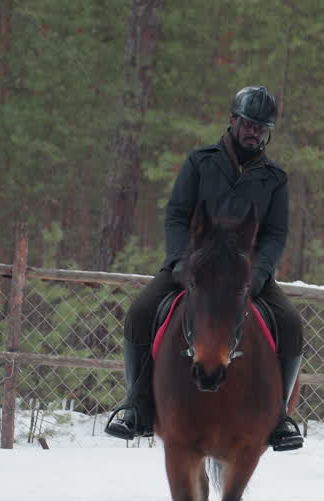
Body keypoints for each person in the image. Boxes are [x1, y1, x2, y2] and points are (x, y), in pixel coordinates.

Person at [104, 85, 304, 452]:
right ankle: (136, 405)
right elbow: (178, 214)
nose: (254, 132)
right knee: (141, 311)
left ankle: (278, 418)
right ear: (233, 121)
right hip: (193, 264)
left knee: (291, 324)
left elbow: (276, 233)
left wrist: (258, 274)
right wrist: (181, 262)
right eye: (248, 124)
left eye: (262, 127)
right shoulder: (200, 161)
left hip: (246, 273)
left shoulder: (276, 179)